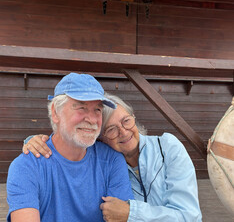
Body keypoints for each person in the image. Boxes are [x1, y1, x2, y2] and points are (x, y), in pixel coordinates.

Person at [23, 93, 203, 221]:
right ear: (99, 138)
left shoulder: (167, 148)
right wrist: (35, 141)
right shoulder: (108, 164)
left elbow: (189, 216)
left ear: (134, 118)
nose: (123, 132)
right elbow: (70, 142)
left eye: (126, 121)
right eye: (111, 129)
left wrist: (131, 213)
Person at [7, 73, 134, 222]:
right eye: (81, 107)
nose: (92, 120)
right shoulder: (26, 166)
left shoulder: (111, 160)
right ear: (55, 112)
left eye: (98, 110)